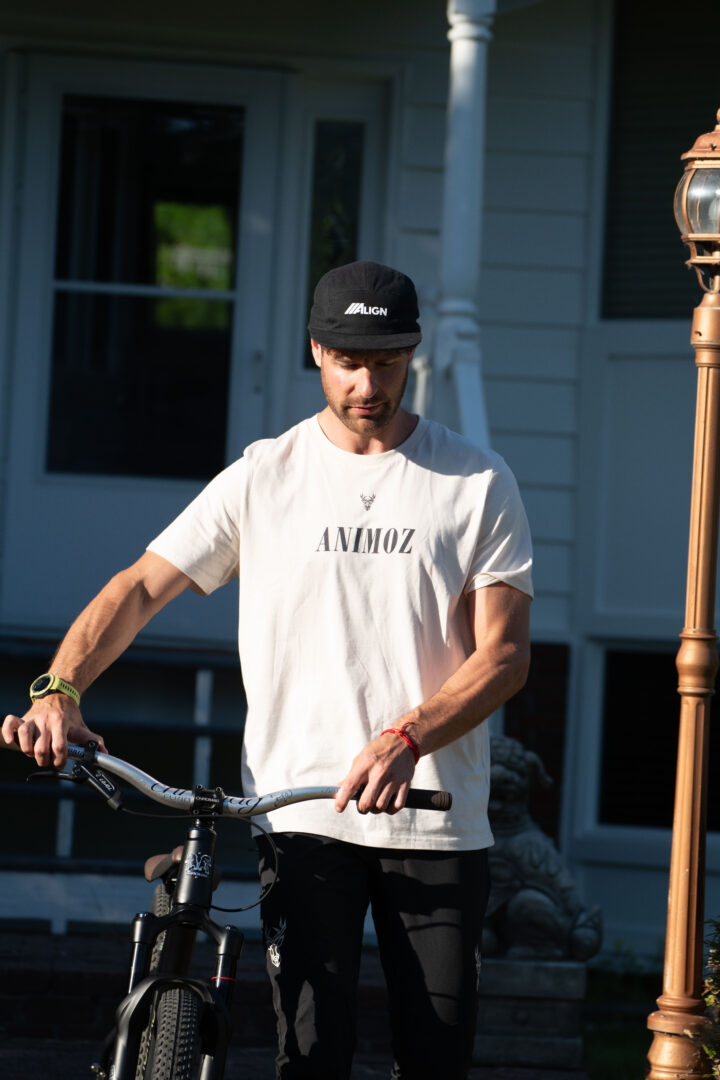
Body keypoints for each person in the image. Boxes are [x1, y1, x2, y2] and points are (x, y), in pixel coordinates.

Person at [3, 260, 532, 1080]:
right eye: (348, 362)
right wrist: (60, 688)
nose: (367, 384)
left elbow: (504, 655)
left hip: (433, 817)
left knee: (436, 1059)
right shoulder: (266, 476)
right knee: (311, 1057)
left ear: (414, 353)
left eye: (386, 362)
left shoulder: (477, 481)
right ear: (316, 350)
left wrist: (407, 736)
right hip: (300, 814)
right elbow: (140, 586)